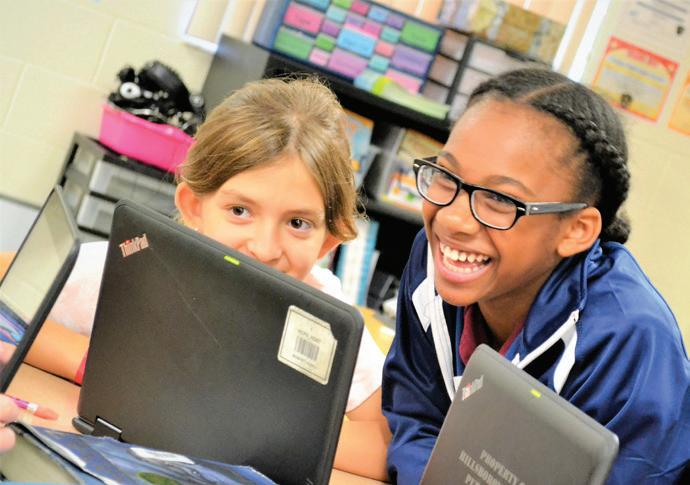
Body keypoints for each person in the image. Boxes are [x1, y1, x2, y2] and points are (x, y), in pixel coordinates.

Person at [8, 77, 390, 479]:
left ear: (327, 242)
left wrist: (251, 429)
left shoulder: (327, 322)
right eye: (240, 211)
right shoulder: (140, 261)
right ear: (193, 206)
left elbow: (385, 448)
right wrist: (94, 365)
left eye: (298, 223)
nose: (264, 248)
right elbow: (10, 295)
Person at [382, 68, 690, 484]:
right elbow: (415, 415)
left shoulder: (631, 341)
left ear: (576, 230)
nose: (453, 220)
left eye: (498, 199)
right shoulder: (434, 261)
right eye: (447, 176)